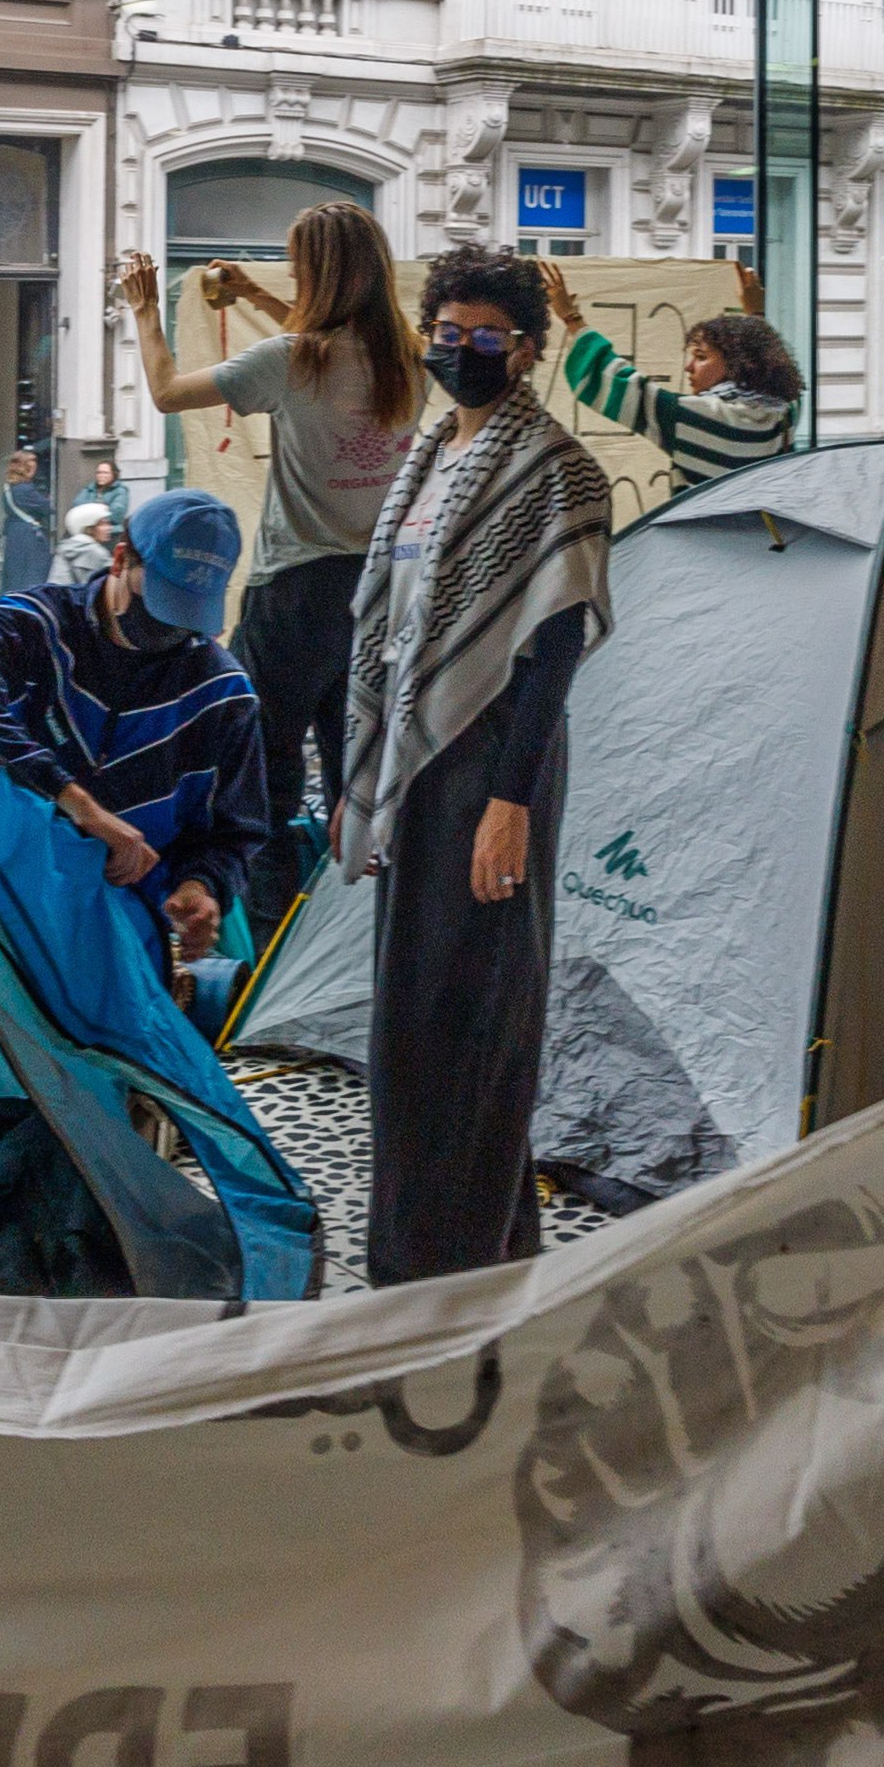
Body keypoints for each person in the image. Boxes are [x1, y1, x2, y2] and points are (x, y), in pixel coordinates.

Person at [341, 249, 611, 1283]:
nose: (461, 351)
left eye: (485, 335)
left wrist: (510, 804)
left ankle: (445, 1267)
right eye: (445, 333)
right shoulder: (422, 460)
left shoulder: (556, 470)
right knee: (414, 1016)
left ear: (528, 348)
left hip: (494, 762)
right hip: (419, 766)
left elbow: (548, 652)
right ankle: (473, 1247)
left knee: (474, 1018)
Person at [133, 201, 416, 925]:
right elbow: (325, 338)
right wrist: (259, 299)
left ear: (315, 275)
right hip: (379, 591)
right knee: (355, 784)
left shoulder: (290, 362)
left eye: (296, 268)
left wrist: (143, 309)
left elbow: (167, 391)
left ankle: (269, 955)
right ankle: (352, 949)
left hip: (294, 594)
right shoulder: (409, 357)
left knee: (267, 784)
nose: (289, 274)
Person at [0, 482, 272, 981]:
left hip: (116, 940)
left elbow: (234, 831)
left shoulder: (223, 695)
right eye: (160, 605)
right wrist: (80, 806)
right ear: (120, 560)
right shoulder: (28, 627)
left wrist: (201, 887)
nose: (171, 631)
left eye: (188, 617)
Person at [550, 261, 800, 488]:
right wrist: (756, 316)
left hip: (700, 537)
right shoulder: (784, 413)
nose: (688, 367)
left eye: (701, 357)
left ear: (738, 364)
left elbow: (608, 380)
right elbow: (771, 363)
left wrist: (571, 317)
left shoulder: (695, 417)